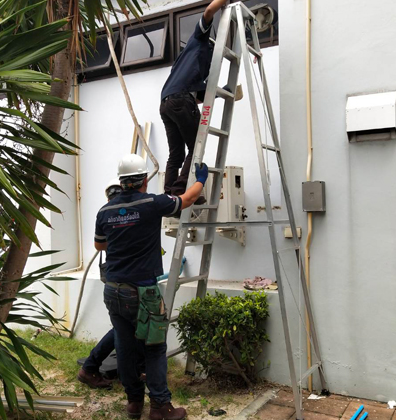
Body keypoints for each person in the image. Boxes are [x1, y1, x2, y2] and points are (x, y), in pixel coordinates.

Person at [94, 154, 208, 420]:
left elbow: (99, 245)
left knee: (125, 347)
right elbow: (187, 199)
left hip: (113, 289)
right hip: (142, 292)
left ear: (121, 181)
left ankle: (134, 403)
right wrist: (201, 180)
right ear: (145, 179)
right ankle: (160, 407)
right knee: (154, 347)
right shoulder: (152, 203)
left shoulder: (105, 211)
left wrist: (123, 233)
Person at [78, 179, 145, 389]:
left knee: (126, 327)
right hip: (125, 282)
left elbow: (100, 245)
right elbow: (101, 245)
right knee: (126, 328)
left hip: (118, 280)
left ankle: (94, 367)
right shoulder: (122, 215)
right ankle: (92, 367)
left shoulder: (108, 214)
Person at [159, 0, 228, 198]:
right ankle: (181, 191)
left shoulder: (184, 63)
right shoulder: (199, 40)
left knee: (176, 154)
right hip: (181, 100)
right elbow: (209, 10)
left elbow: (195, 98)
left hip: (166, 103)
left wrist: (221, 92)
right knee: (195, 148)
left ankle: (169, 194)